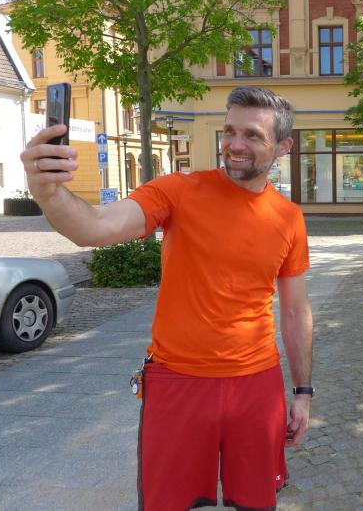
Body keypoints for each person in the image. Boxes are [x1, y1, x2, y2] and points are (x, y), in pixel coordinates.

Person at [20, 86, 313, 511]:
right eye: (230, 131)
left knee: (256, 502)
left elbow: (296, 310)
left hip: (257, 384)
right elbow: (95, 227)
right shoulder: (179, 190)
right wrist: (48, 193)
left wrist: (303, 392)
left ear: (283, 146)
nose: (234, 144)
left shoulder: (289, 218)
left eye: (252, 135)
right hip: (179, 381)